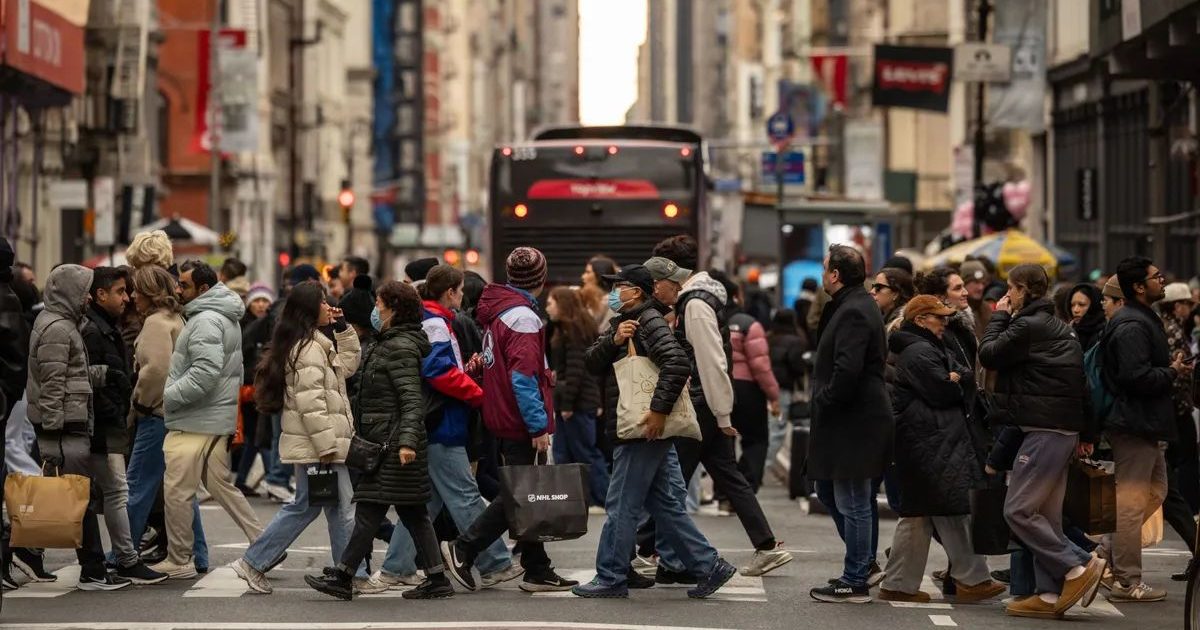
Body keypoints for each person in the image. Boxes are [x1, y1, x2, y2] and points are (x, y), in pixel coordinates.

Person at [573, 264, 737, 599]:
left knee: (621, 504)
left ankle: (610, 575)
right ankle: (709, 565)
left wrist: (658, 412)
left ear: (637, 291)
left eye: (620, 286)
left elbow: (678, 364)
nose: (614, 293)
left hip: (641, 429)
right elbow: (592, 362)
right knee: (665, 505)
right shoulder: (624, 323)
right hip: (639, 428)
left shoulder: (648, 321)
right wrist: (615, 340)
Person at [645, 242, 791, 579]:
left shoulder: (694, 304)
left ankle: (645, 550)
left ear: (673, 270)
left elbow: (711, 361)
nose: (656, 284)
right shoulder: (701, 298)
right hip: (707, 404)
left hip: (700, 405)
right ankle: (766, 546)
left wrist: (722, 414)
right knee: (727, 476)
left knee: (670, 482)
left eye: (659, 274)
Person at [440, 247, 579, 593]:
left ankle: (536, 567)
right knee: (521, 494)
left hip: (500, 413)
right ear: (541, 279)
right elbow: (524, 377)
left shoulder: (500, 312)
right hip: (520, 419)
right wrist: (537, 426)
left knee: (525, 490)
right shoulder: (524, 318)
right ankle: (464, 548)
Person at [305, 281, 453, 601]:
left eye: (380, 304)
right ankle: (436, 578)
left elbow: (412, 400)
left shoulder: (399, 346)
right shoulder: (388, 341)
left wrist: (407, 443)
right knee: (410, 513)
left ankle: (345, 575)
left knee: (373, 511)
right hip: (386, 441)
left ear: (394, 309)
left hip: (394, 444)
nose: (376, 309)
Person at [378, 266, 522, 590]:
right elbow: (439, 370)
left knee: (425, 504)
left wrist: (466, 378)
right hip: (443, 423)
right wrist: (477, 393)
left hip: (437, 422)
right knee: (465, 496)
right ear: (450, 292)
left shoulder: (434, 320)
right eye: (459, 291)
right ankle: (495, 562)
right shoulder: (437, 322)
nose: (462, 297)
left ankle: (396, 566)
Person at [979, 263, 1104, 618]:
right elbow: (1082, 386)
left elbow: (988, 355)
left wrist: (999, 317)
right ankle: (1049, 595)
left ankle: (1076, 566)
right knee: (1046, 517)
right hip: (1062, 431)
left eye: (1010, 289)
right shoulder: (1063, 329)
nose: (1007, 296)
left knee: (1017, 509)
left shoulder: (1025, 326)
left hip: (1043, 431)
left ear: (1024, 290)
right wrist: (1088, 434)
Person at [231, 282, 362, 594]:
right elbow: (311, 402)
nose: (329, 308)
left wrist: (343, 329)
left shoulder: (316, 343)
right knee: (328, 508)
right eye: (323, 303)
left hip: (319, 444)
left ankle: (349, 573)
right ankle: (255, 562)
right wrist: (327, 446)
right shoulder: (307, 349)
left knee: (322, 507)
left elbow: (347, 367)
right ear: (308, 310)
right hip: (319, 446)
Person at [879, 295, 1004, 604]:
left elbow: (961, 375)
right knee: (949, 508)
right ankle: (972, 579)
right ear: (921, 319)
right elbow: (944, 391)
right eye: (939, 318)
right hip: (930, 440)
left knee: (923, 513)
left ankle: (900, 583)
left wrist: (957, 377)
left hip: (930, 440)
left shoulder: (925, 346)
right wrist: (955, 380)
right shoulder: (919, 351)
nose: (945, 323)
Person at [153, 261, 264, 578]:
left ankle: (179, 559)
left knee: (176, 492)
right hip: (212, 416)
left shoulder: (205, 320)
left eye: (184, 285)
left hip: (194, 419)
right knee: (220, 485)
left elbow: (205, 372)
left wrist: (169, 395)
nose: (177, 289)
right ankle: (264, 543)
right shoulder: (221, 315)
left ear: (203, 289)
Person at [27, 265, 130, 590]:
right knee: (77, 499)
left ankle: (31, 553)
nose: (88, 296)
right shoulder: (58, 328)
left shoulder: (65, 325)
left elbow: (72, 374)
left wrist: (103, 374)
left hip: (69, 426)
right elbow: (53, 384)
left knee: (75, 497)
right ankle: (92, 570)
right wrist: (54, 435)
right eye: (83, 289)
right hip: (65, 430)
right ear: (69, 292)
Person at [1097, 259, 1191, 602]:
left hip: (1145, 424)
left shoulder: (1138, 318)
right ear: (1138, 286)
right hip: (1134, 424)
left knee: (1157, 491)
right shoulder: (1131, 325)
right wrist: (1170, 371)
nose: (1161, 280)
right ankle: (1126, 581)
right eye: (1156, 277)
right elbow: (1133, 376)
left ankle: (1105, 555)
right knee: (1131, 504)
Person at [806, 245, 892, 603]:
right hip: (848, 418)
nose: (824, 274)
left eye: (826, 268)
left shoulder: (855, 310)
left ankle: (855, 577)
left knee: (854, 499)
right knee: (828, 490)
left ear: (836, 275)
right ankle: (863, 565)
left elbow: (848, 369)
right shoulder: (851, 305)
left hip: (854, 419)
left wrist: (825, 400)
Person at [79, 266, 166, 585]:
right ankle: (118, 561)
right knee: (114, 491)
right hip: (101, 426)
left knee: (114, 491)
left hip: (106, 424)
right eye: (120, 291)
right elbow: (90, 381)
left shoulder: (105, 326)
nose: (126, 298)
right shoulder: (93, 330)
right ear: (100, 294)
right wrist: (117, 408)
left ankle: (119, 559)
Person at [124, 266, 210, 575]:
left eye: (135, 290)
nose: (131, 296)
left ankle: (124, 552)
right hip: (180, 414)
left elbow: (156, 370)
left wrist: (139, 402)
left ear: (149, 293)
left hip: (157, 415)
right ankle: (199, 553)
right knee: (182, 488)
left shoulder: (155, 323)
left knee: (137, 486)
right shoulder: (178, 319)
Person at [714, 272, 780, 493]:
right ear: (736, 296)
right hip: (748, 389)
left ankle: (723, 493)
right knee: (756, 439)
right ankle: (746, 487)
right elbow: (761, 366)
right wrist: (773, 396)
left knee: (724, 441)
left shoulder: (710, 321)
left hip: (718, 387)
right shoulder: (748, 324)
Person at [545, 286, 609, 509]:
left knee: (583, 452)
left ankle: (605, 497)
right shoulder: (569, 327)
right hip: (576, 399)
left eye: (551, 303)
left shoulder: (572, 330)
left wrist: (568, 403)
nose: (547, 307)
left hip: (576, 401)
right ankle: (574, 499)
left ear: (562, 304)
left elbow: (575, 369)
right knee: (566, 452)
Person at [1160, 282, 1200, 579]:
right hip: (1175, 416)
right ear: (1175, 306)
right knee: (1167, 489)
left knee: (1166, 490)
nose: (1189, 308)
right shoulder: (1172, 330)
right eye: (1185, 303)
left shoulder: (1177, 329)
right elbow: (1171, 376)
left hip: (1177, 415)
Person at [765, 309, 807, 474]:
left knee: (769, 427)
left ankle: (758, 465)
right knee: (777, 429)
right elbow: (797, 367)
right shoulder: (796, 341)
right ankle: (762, 467)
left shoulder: (768, 338)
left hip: (765, 387)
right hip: (782, 388)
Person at [580, 255, 620, 330]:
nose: (583, 276)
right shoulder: (586, 295)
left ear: (599, 274)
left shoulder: (614, 300)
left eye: (588, 272)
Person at [960, 259, 992, 339]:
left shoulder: (986, 308)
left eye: (983, 283)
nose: (981, 287)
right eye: (976, 282)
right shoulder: (957, 311)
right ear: (964, 283)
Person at [1069, 282, 1106, 351]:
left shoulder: (1103, 334)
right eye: (1072, 305)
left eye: (1081, 304)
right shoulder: (1070, 331)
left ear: (1094, 305)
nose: (1075, 310)